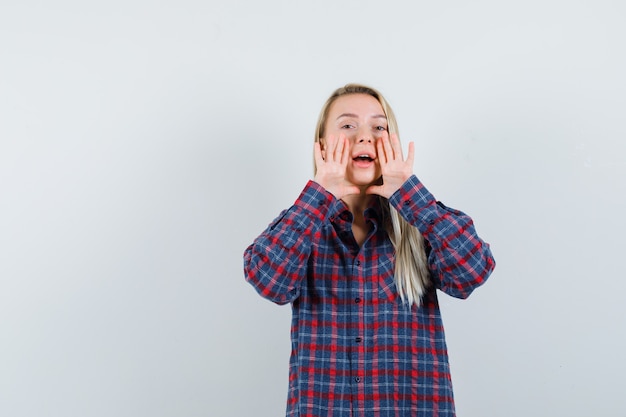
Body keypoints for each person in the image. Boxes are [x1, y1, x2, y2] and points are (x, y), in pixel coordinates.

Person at [243, 83, 495, 417]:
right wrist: (319, 192)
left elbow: (472, 272)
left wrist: (410, 194)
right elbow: (270, 282)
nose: (365, 137)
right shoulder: (303, 226)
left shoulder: (421, 223)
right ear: (321, 146)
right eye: (348, 126)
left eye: (379, 127)